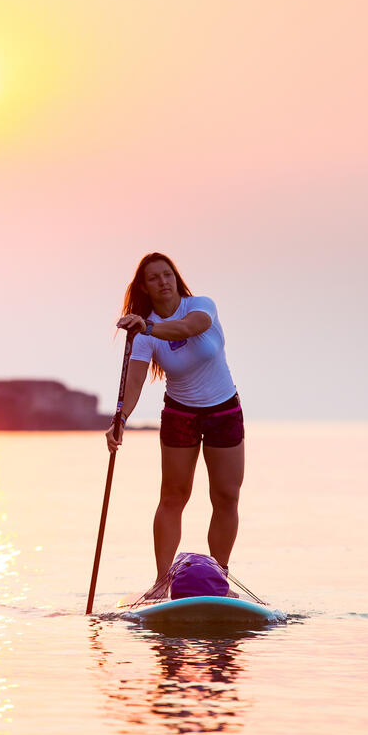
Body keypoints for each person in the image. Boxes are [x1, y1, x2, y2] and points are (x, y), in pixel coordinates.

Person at [106, 252, 244, 600]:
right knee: (173, 497)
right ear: (144, 287)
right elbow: (134, 383)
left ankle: (219, 578)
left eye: (168, 274)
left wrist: (147, 327)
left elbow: (188, 328)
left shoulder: (201, 305)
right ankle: (160, 582)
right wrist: (120, 420)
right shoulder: (144, 334)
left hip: (224, 410)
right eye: (154, 278)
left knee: (225, 496)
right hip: (180, 414)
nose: (163, 281)